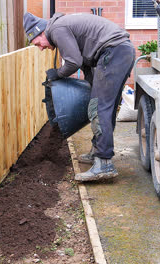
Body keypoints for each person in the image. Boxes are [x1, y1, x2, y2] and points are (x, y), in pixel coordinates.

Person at [23, 12, 135, 182]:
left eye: (37, 43)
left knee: (99, 107)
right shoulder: (60, 28)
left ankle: (104, 163)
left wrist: (57, 74)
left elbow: (73, 62)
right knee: (104, 105)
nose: (40, 47)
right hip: (120, 52)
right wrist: (92, 87)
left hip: (114, 52)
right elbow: (85, 63)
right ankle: (98, 151)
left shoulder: (57, 29)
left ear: (40, 32)